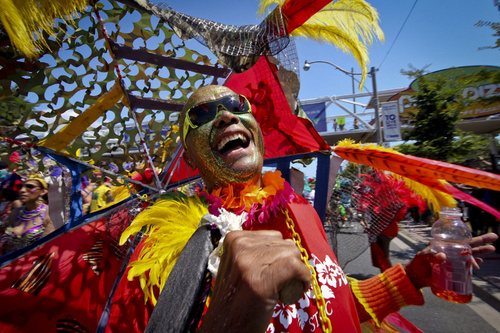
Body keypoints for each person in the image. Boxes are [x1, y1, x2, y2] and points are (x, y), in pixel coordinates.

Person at [114, 85, 498, 332]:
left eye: (235, 105)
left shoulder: (298, 207)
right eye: (202, 115)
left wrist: (412, 276)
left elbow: (336, 305)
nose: (226, 116)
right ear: (191, 159)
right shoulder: (171, 240)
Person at [0, 176, 55, 254]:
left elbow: (47, 247)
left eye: (29, 186)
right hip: (8, 263)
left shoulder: (50, 213)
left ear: (43, 191)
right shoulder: (15, 212)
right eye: (21, 186)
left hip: (33, 263)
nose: (22, 190)